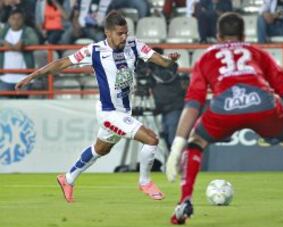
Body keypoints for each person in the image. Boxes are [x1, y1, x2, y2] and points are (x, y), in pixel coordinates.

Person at [165, 12, 283, 227]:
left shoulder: (206, 57)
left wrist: (176, 147)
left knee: (197, 141)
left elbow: (193, 105)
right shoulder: (257, 52)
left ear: (218, 36)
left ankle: (185, 200)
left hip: (224, 107)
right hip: (262, 103)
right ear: (244, 34)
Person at [15, 10, 180, 202]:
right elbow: (62, 63)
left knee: (100, 149)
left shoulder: (134, 45)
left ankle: (67, 179)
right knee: (151, 139)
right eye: (120, 33)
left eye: (126, 32)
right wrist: (32, 76)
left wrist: (171, 59)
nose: (124, 37)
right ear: (108, 33)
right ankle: (145, 182)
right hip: (109, 113)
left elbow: (162, 62)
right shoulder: (94, 51)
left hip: (124, 111)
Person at [0, 8, 39, 98]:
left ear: (23, 20)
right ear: (9, 20)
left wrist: (24, 42)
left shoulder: (28, 31)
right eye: (13, 18)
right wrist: (3, 42)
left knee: (23, 106)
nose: (16, 21)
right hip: (5, 76)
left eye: (19, 18)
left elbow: (35, 40)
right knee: (3, 107)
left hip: (24, 77)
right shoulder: (3, 31)